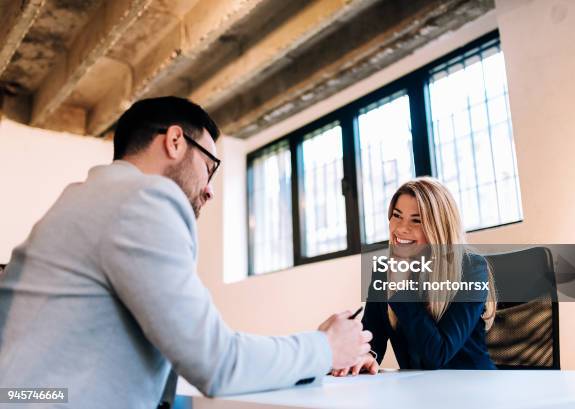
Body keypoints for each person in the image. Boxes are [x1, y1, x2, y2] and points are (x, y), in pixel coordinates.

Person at [0, 97, 372, 408]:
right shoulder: (143, 197)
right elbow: (217, 362)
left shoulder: (82, 198)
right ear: (175, 141)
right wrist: (325, 348)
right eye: (209, 168)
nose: (209, 190)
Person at [332, 177, 496, 376]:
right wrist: (366, 354)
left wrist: (400, 288)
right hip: (417, 391)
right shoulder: (384, 272)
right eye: (397, 216)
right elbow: (373, 338)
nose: (401, 228)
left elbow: (437, 355)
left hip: (472, 390)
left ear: (439, 227)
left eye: (416, 220)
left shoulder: (470, 269)